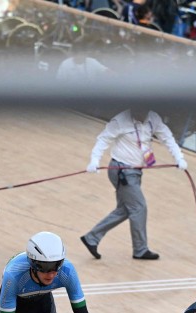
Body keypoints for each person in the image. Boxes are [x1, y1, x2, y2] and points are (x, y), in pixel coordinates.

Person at [80, 108, 187, 261]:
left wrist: (179, 157)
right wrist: (94, 160)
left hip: (136, 172)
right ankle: (140, 250)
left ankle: (91, 238)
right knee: (138, 207)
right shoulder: (120, 120)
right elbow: (103, 139)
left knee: (125, 209)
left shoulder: (153, 118)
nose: (140, 115)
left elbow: (167, 138)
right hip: (122, 171)